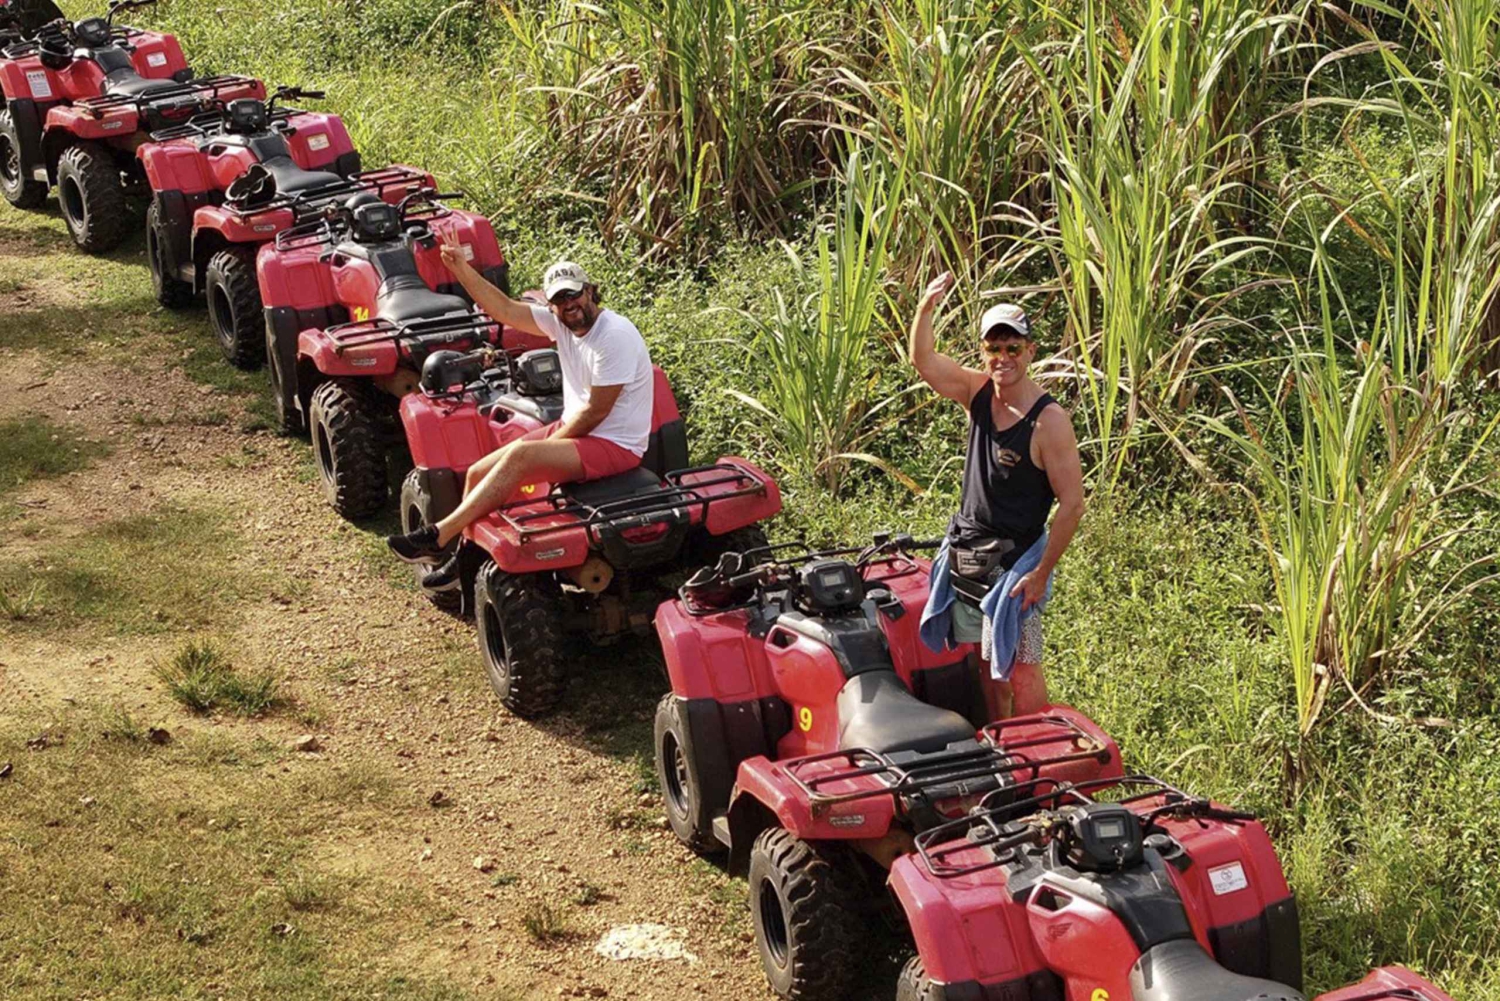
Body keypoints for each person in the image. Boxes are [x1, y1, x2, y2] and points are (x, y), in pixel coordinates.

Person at [386, 245, 654, 589]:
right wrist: (461, 269)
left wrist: (548, 446)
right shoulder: (562, 325)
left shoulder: (614, 336)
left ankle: (438, 535)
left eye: (574, 294)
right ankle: (463, 560)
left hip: (615, 444)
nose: (568, 305)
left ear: (589, 291)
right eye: (559, 300)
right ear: (551, 305)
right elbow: (505, 308)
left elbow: (596, 412)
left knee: (520, 456)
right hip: (580, 431)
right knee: (477, 472)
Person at [910, 272, 1085, 721]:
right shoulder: (978, 393)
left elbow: (1072, 504)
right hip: (971, 553)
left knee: (1023, 667)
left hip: (1016, 567)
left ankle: (1040, 750)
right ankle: (1001, 739)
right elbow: (924, 360)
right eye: (994, 348)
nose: (1002, 358)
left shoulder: (1049, 422)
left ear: (1030, 351)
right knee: (987, 663)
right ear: (983, 352)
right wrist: (926, 308)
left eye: (1012, 348)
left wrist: (1042, 573)